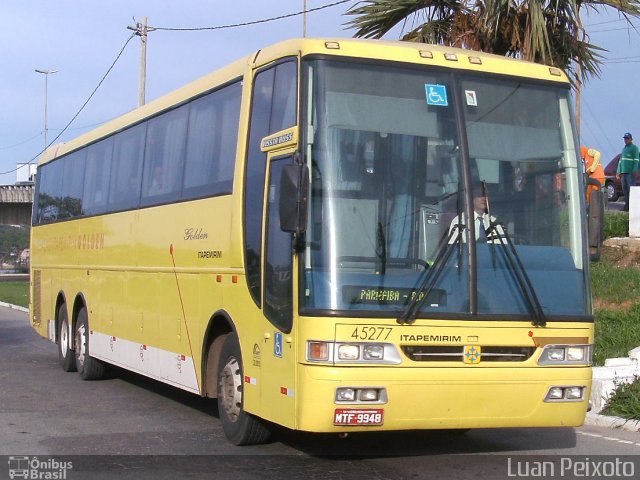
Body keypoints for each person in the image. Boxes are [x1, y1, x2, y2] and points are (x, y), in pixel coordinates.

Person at [616, 133, 639, 211]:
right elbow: (620, 161)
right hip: (624, 173)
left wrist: (634, 170)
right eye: (625, 138)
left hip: (630, 173)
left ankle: (634, 207)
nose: (626, 140)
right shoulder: (624, 149)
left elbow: (636, 160)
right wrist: (618, 171)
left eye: (627, 138)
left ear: (631, 139)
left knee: (631, 189)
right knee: (625, 190)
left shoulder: (634, 148)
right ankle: (627, 206)